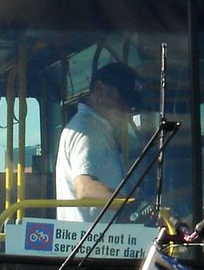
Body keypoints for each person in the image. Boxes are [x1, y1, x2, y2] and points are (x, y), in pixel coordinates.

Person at [55, 62, 144, 222]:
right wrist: (134, 209)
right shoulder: (87, 130)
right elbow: (85, 188)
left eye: (131, 105)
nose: (128, 110)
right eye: (123, 101)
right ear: (99, 89)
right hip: (93, 241)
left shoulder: (97, 129)